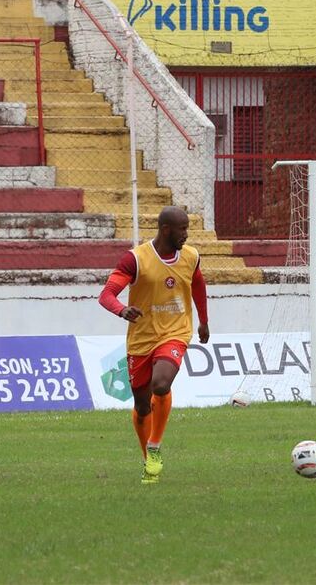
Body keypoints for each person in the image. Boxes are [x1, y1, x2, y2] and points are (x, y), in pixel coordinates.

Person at [98, 206, 210, 485]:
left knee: (161, 384)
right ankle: (147, 459)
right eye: (182, 229)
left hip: (175, 332)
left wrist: (204, 321)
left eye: (187, 228)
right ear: (166, 230)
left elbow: (197, 284)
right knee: (141, 404)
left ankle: (155, 446)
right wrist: (122, 310)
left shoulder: (191, 256)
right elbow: (106, 295)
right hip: (141, 338)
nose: (186, 234)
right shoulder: (136, 259)